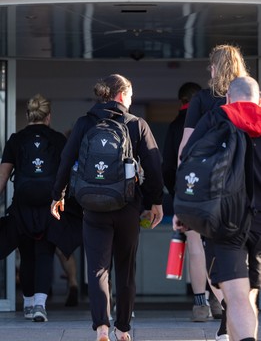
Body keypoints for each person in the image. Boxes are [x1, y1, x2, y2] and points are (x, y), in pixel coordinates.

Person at [50, 74, 164, 341]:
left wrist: (58, 194)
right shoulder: (137, 125)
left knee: (98, 268)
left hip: (93, 207)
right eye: (131, 95)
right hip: (127, 206)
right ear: (122, 95)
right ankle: (123, 329)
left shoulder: (83, 123)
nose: (132, 100)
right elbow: (154, 165)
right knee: (125, 268)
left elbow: (66, 159)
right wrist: (155, 201)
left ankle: (102, 327)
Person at [175, 76, 261, 341]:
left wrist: (184, 211)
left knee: (236, 296)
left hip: (227, 219)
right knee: (249, 295)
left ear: (228, 98)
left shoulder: (214, 120)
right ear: (258, 99)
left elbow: (189, 162)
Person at [0, 94, 80, 322]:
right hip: (51, 204)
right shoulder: (57, 139)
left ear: (28, 116)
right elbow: (67, 173)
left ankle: (27, 303)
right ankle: (39, 306)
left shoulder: (16, 140)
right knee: (44, 253)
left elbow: (3, 176)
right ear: (49, 117)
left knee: (26, 255)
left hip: (23, 205)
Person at [162, 81, 220, 321]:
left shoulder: (177, 126)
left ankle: (200, 304)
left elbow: (167, 163)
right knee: (218, 246)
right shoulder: (217, 121)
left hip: (188, 190)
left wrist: (173, 190)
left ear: (182, 101)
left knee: (195, 246)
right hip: (217, 191)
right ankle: (219, 300)